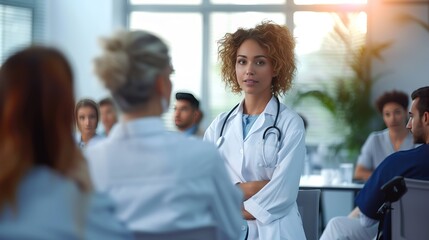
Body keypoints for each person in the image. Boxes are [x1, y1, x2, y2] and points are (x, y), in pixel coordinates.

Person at [87, 29, 243, 239]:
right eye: (170, 75)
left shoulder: (87, 164)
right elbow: (231, 231)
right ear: (161, 84)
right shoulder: (203, 158)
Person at [0, 46, 132, 239]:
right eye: (83, 117)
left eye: (92, 117)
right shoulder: (85, 209)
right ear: (68, 113)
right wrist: (88, 192)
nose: (88, 122)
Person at [204, 20, 306, 239]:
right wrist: (256, 186)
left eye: (260, 62)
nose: (249, 70)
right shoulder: (219, 126)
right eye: (242, 61)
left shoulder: (289, 123)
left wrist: (233, 204)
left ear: (276, 67)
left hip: (275, 231)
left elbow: (284, 191)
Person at [320, 86, 429, 240]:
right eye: (387, 114)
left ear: (426, 118)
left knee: (337, 225)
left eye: (412, 116)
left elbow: (366, 219)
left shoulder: (396, 163)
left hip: (400, 234)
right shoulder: (379, 142)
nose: (408, 124)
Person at [354, 90, 415, 181]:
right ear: (383, 116)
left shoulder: (418, 139)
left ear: (406, 112)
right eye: (387, 114)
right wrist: (385, 178)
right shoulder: (375, 139)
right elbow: (359, 172)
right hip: (381, 192)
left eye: (397, 112)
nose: (392, 118)